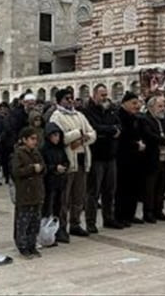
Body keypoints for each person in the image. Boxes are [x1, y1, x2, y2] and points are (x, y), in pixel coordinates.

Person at [49, 87, 96, 236]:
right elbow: (59, 138)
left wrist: (83, 139)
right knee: (65, 198)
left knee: (79, 195)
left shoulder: (79, 115)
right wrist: (77, 134)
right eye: (66, 99)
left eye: (71, 98)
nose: (70, 101)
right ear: (60, 101)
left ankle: (75, 223)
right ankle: (61, 227)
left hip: (82, 158)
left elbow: (92, 133)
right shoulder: (56, 116)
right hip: (68, 160)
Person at [83, 84, 123, 231]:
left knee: (109, 190)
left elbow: (119, 125)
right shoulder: (88, 111)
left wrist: (111, 130)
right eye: (102, 95)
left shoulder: (110, 110)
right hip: (96, 156)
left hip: (110, 155)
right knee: (94, 191)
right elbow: (94, 128)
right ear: (94, 96)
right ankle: (90, 222)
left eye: (106, 95)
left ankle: (108, 218)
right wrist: (111, 130)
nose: (105, 98)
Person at [12, 128, 45, 259]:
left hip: (37, 193)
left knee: (34, 222)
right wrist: (32, 169)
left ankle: (32, 245)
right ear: (24, 140)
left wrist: (41, 168)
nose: (34, 142)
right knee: (23, 222)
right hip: (25, 194)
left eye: (36, 139)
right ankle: (22, 246)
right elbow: (16, 172)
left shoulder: (36, 153)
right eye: (32, 139)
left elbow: (43, 166)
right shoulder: (19, 154)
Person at [113, 91, 145, 226]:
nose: (136, 106)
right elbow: (122, 137)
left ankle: (130, 214)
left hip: (135, 156)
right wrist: (135, 144)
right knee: (122, 188)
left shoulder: (135, 117)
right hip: (123, 157)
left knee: (133, 186)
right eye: (133, 103)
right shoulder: (119, 116)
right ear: (125, 103)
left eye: (137, 103)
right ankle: (121, 216)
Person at [139, 95, 165, 222]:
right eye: (160, 106)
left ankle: (159, 209)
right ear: (151, 107)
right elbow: (149, 136)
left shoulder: (162, 120)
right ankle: (149, 212)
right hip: (151, 157)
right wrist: (164, 141)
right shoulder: (145, 120)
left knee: (161, 185)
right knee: (150, 187)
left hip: (164, 157)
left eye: (164, 106)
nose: (163, 109)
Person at [40, 122, 68, 242]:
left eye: (58, 135)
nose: (57, 138)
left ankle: (57, 231)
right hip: (49, 183)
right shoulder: (44, 149)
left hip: (60, 182)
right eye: (54, 135)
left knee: (58, 207)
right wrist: (54, 168)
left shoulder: (61, 149)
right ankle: (45, 232)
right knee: (47, 208)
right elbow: (43, 166)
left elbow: (66, 161)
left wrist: (64, 166)